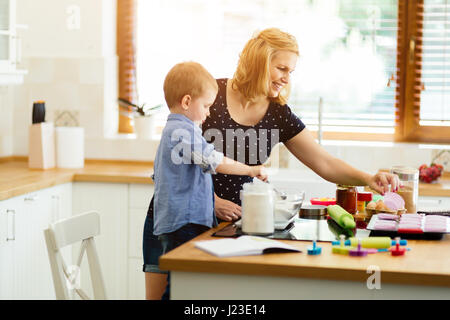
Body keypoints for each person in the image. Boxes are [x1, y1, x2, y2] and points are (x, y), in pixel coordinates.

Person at [143, 27, 399, 299]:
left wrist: (369, 179)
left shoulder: (278, 114)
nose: (286, 79)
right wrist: (211, 200)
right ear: (260, 60)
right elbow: (168, 161)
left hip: (229, 233)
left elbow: (323, 162)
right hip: (175, 221)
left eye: (291, 72)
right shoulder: (209, 94)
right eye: (282, 69)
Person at [147, 61, 267, 300]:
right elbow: (214, 160)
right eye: (206, 106)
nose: (209, 113)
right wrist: (250, 170)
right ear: (187, 102)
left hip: (183, 222)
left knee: (184, 283)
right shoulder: (181, 132)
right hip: (184, 223)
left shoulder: (177, 131)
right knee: (180, 286)